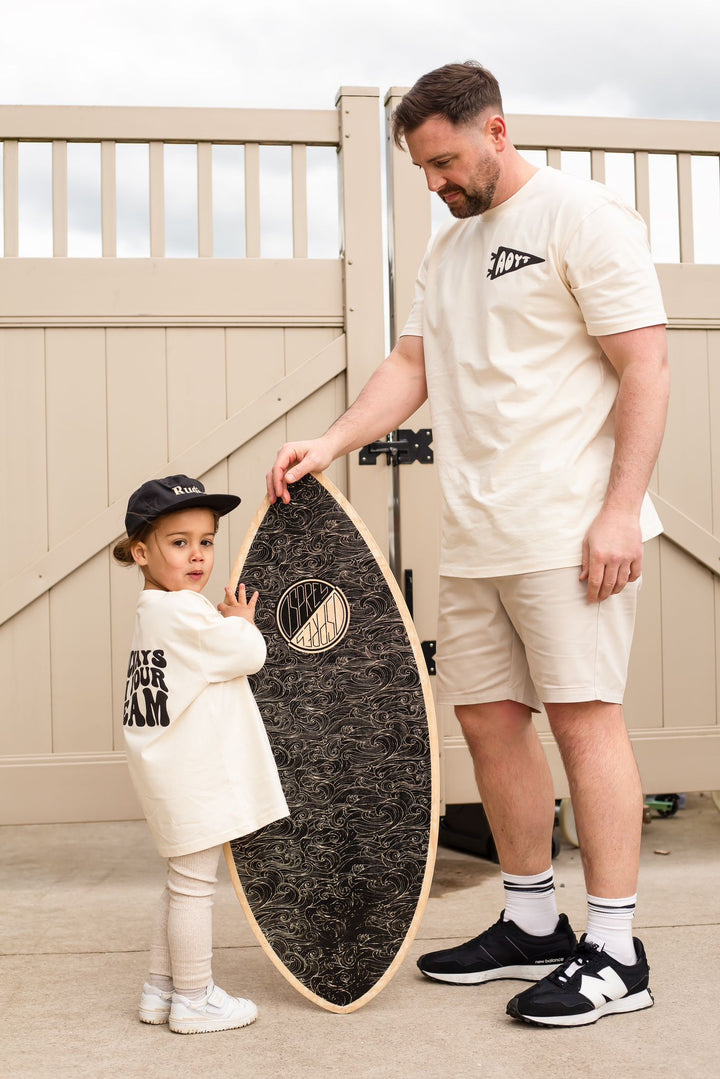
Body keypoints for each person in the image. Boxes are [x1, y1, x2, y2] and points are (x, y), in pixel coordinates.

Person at [267, 62, 669, 1028]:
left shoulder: (584, 218)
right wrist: (333, 440)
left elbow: (646, 364)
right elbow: (412, 363)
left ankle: (617, 948)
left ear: (498, 128)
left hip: (572, 529)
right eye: (423, 169)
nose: (437, 182)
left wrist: (623, 509)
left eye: (447, 160)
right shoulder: (446, 251)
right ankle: (532, 922)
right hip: (479, 532)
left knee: (583, 719)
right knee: (490, 722)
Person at [113, 474, 289, 1034]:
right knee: (193, 888)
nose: (197, 555)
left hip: (168, 771)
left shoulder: (155, 611)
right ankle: (194, 998)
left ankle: (161, 989)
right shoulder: (184, 612)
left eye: (207, 541)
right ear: (142, 551)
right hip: (193, 774)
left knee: (180, 882)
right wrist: (240, 622)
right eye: (179, 542)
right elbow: (247, 653)